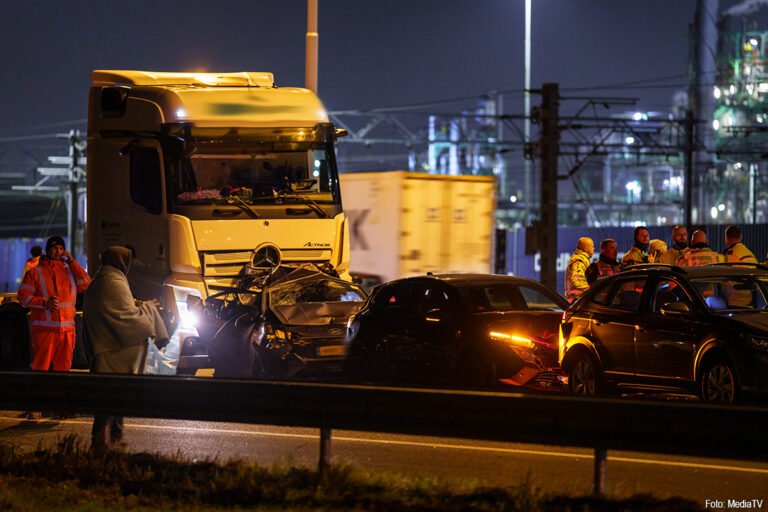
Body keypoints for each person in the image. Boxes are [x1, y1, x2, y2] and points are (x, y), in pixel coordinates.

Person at [83, 246, 169, 452]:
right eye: (127, 261)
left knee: (112, 397)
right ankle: (106, 440)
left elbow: (121, 310)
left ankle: (111, 439)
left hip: (103, 348)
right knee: (111, 398)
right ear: (121, 262)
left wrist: (143, 306)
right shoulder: (113, 281)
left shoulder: (101, 280)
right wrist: (149, 309)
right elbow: (126, 317)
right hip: (112, 352)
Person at [17, 236, 90, 421]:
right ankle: (34, 409)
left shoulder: (69, 271)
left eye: (61, 248)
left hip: (66, 332)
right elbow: (23, 296)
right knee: (40, 370)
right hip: (45, 332)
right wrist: (44, 303)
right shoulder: (35, 272)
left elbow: (86, 283)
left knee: (63, 373)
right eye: (55, 248)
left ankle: (60, 408)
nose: (58, 251)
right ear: (47, 250)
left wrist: (72, 261)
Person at [565, 237, 594, 303]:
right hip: (577, 300)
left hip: (578, 299)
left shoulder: (581, 259)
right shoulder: (579, 261)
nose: (593, 248)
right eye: (592, 246)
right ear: (586, 249)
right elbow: (577, 282)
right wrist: (592, 289)